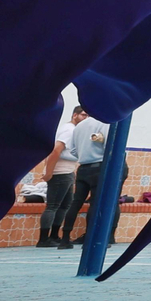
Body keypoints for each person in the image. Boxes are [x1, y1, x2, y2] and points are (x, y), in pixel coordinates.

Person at [56, 110, 109, 249]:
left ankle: (65, 239)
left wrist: (84, 154)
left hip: (83, 168)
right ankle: (90, 238)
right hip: (99, 167)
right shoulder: (105, 122)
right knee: (95, 203)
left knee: (75, 203)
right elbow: (109, 146)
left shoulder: (79, 126)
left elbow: (73, 150)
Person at [37, 106, 84, 247]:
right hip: (60, 172)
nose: (85, 118)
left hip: (68, 172)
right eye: (83, 115)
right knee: (53, 206)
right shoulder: (68, 130)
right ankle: (43, 239)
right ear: (74, 115)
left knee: (64, 205)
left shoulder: (75, 130)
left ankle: (54, 236)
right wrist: (49, 172)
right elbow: (56, 151)